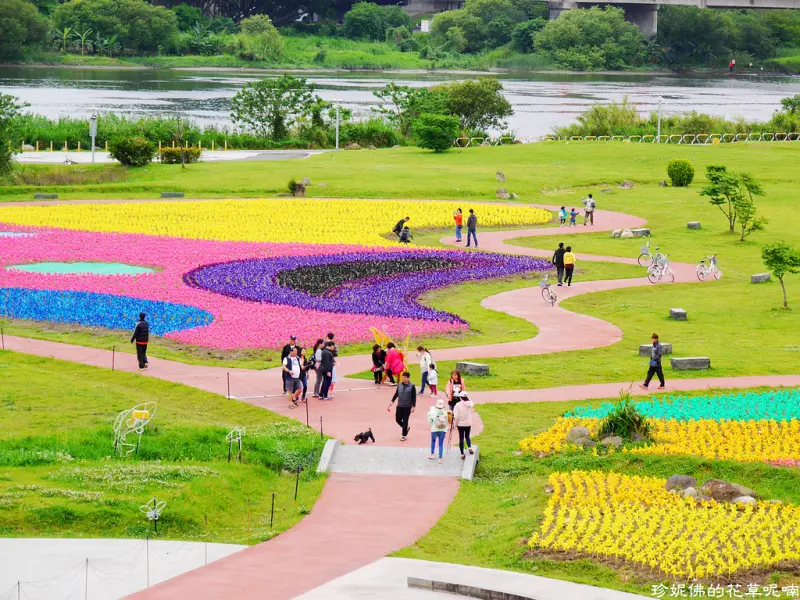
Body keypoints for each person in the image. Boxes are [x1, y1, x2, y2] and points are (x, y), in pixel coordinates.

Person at [388, 372, 416, 441]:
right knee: (397, 419)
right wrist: (392, 401)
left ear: (408, 378)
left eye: (404, 377)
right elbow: (396, 393)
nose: (403, 378)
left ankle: (404, 435)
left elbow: (414, 397)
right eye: (402, 377)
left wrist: (413, 406)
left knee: (405, 420)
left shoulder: (412, 386)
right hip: (400, 405)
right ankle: (406, 428)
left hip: (407, 406)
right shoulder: (399, 385)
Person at [453, 396, 475, 460]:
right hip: (468, 423)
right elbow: (471, 402)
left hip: (460, 424)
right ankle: (469, 447)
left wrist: (455, 424)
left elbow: (456, 416)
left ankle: (462, 454)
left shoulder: (457, 405)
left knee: (461, 438)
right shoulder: (469, 404)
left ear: (460, 398)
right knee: (467, 436)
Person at [427, 398, 449, 464]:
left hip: (434, 429)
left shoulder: (433, 412)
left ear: (436, 406)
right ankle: (440, 458)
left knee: (433, 441)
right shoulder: (445, 413)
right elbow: (446, 422)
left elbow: (430, 422)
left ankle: (432, 454)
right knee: (441, 444)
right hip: (443, 430)